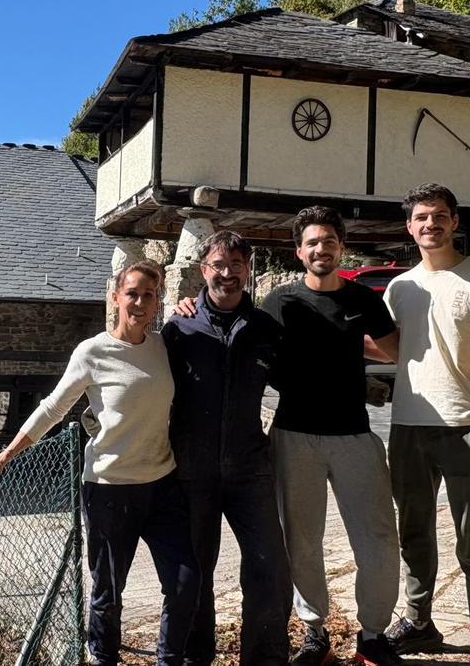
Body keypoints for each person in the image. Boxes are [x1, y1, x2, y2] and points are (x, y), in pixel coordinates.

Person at [0, 260, 201, 666]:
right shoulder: (92, 352)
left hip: (162, 486)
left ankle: (170, 660)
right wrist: (5, 458)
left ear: (158, 300)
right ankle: (103, 657)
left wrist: (191, 305)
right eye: (132, 293)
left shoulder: (163, 346)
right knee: (109, 593)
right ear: (115, 297)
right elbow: (52, 408)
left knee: (186, 582)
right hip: (109, 490)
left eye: (149, 294)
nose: (140, 302)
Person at [377, 183, 470, 666]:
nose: (430, 224)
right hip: (407, 428)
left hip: (465, 428)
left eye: (439, 215)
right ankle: (420, 624)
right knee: (414, 535)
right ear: (409, 226)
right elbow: (397, 351)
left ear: (455, 221)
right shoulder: (401, 288)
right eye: (421, 217)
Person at [261, 206, 405, 666]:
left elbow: (394, 349)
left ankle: (373, 635)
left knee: (379, 538)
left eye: (329, 241)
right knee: (300, 539)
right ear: (299, 251)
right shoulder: (279, 303)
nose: (320, 249)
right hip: (294, 435)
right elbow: (246, 347)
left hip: (353, 435)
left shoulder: (364, 300)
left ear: (341, 246)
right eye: (312, 243)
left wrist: (348, 343)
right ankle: (315, 633)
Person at [160, 231, 292, 666]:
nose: (228, 273)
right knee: (195, 572)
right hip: (191, 469)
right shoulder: (178, 327)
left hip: (249, 469)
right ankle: (198, 657)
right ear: (204, 270)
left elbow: (299, 380)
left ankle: (264, 658)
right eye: (219, 264)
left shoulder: (264, 329)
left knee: (269, 569)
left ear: (247, 270)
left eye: (237, 264)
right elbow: (149, 384)